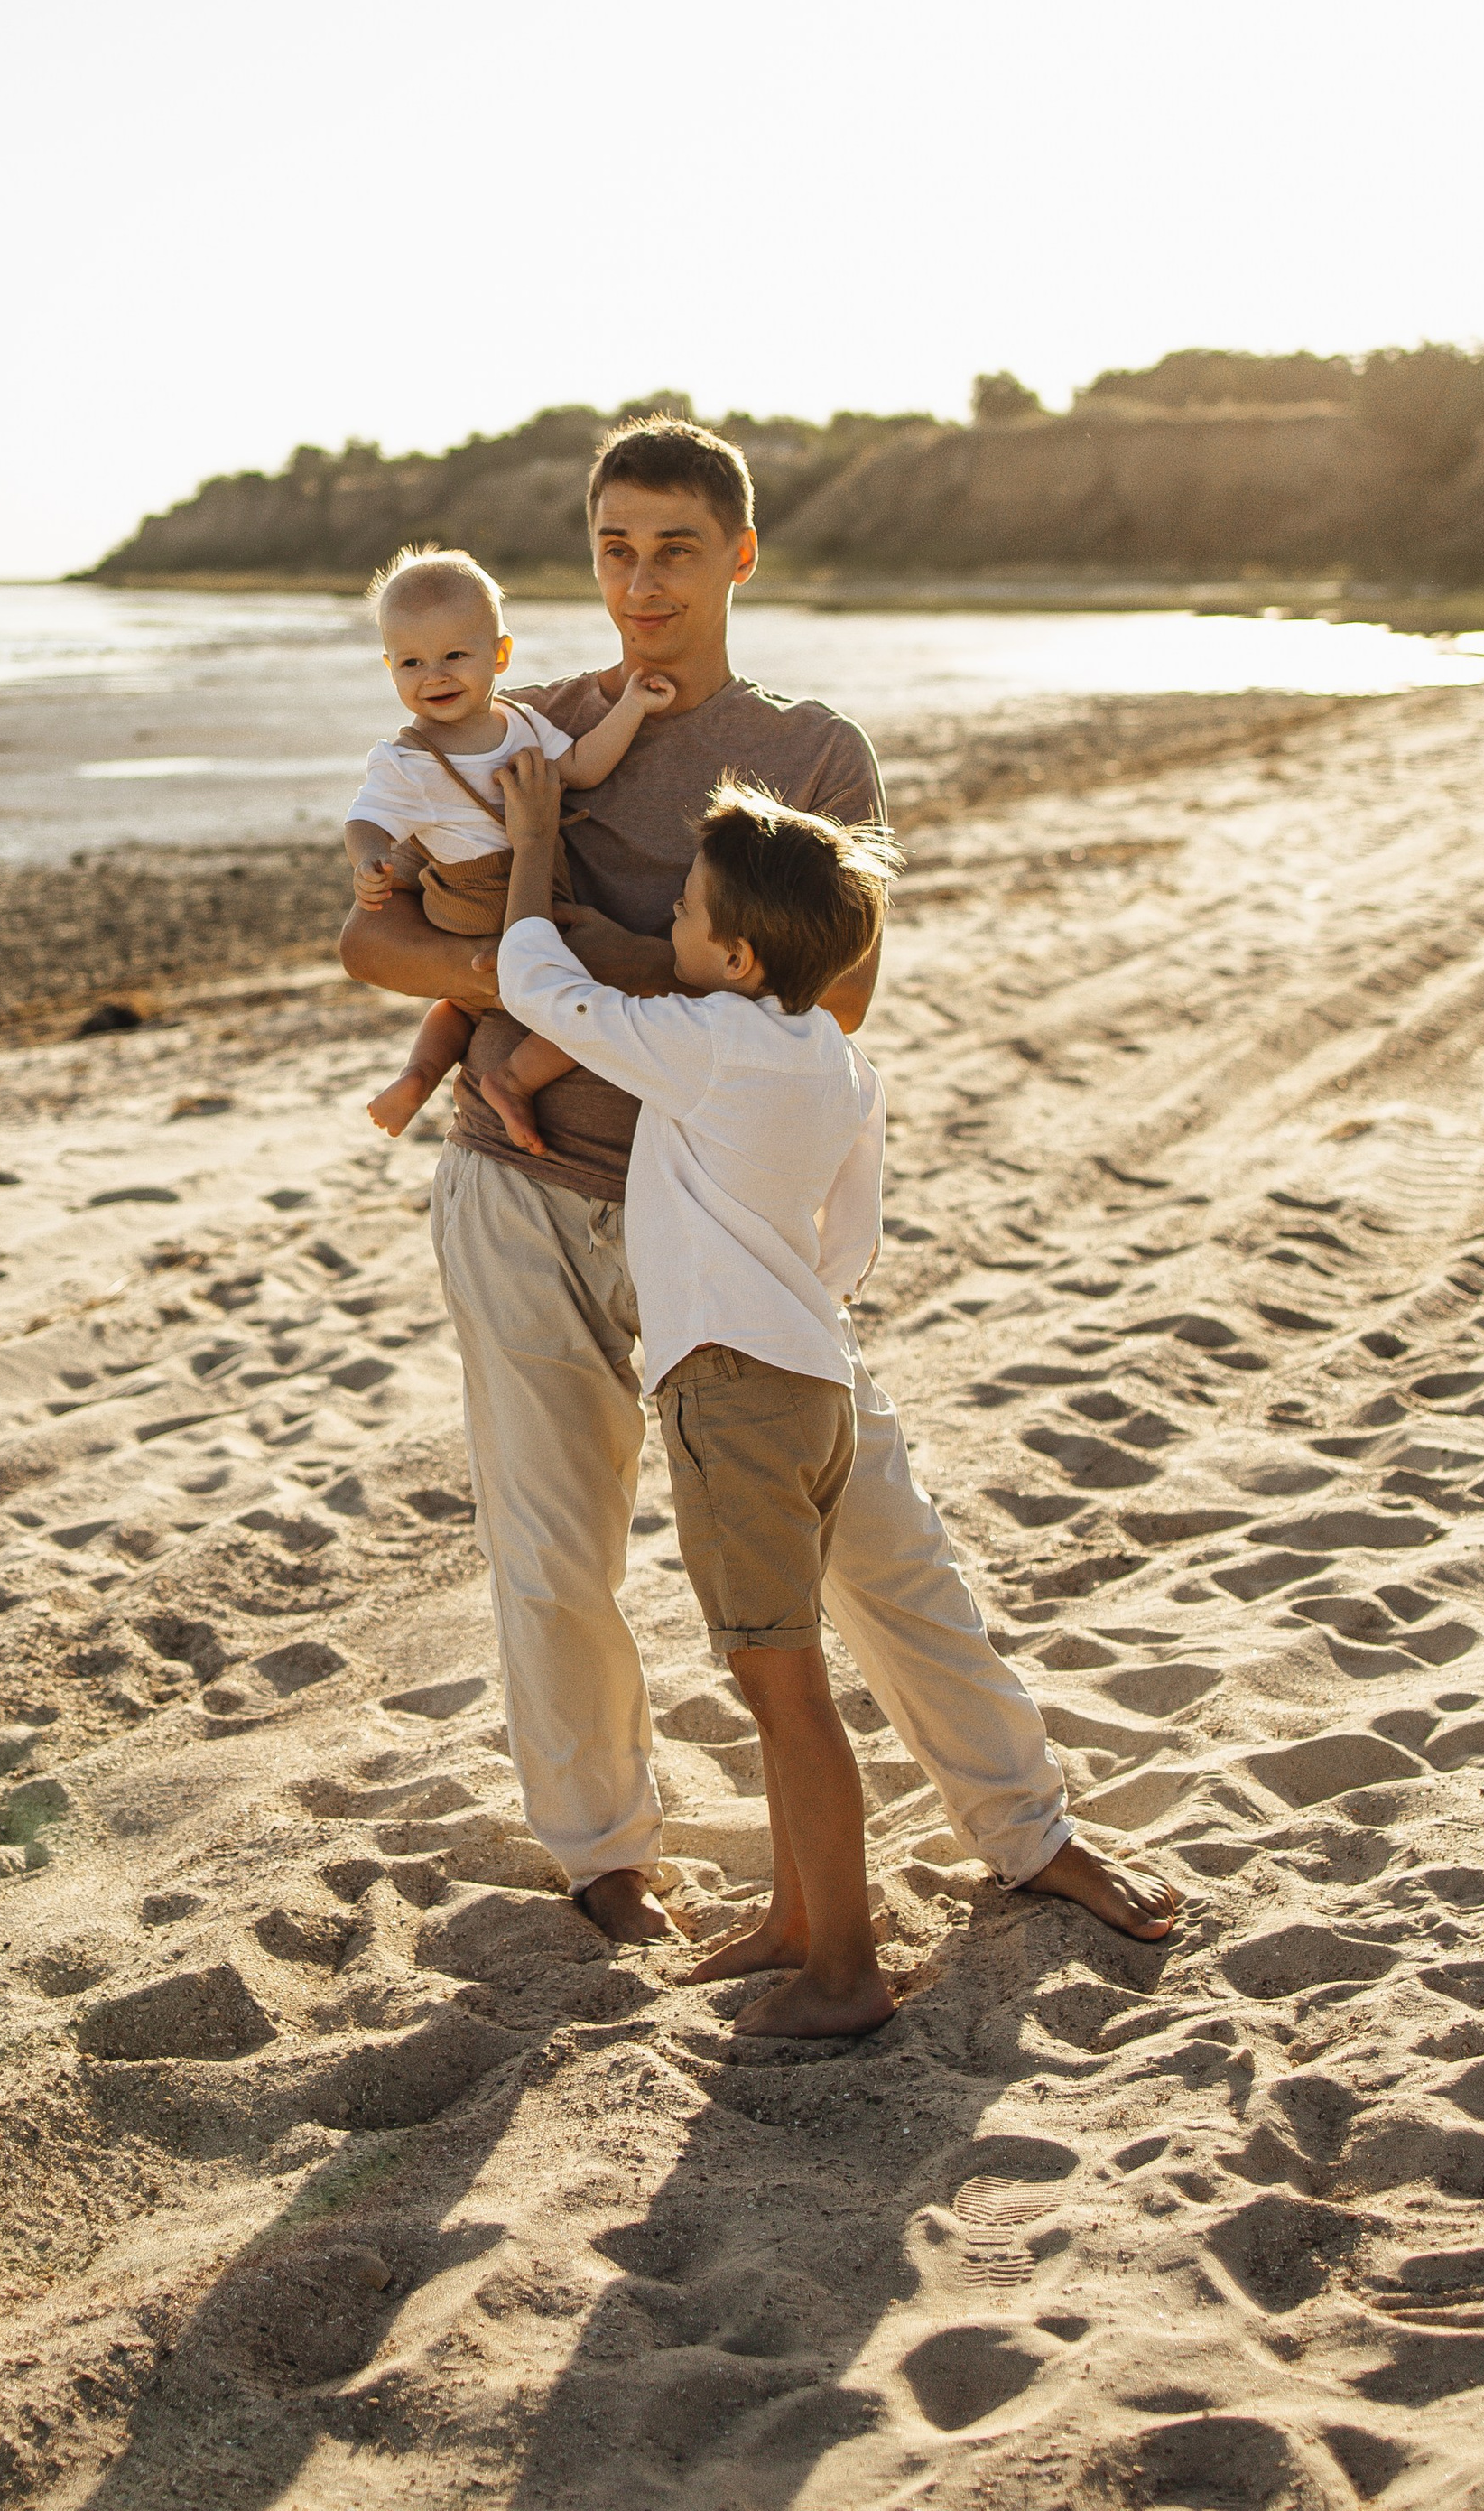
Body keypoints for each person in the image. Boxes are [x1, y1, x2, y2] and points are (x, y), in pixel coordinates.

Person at [339, 414, 1180, 1953]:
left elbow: (841, 1000)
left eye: (673, 550)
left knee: (878, 1532)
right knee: (555, 1552)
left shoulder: (813, 757)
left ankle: (1029, 1829)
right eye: (613, 548)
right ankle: (604, 1855)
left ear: (737, 555)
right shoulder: (518, 730)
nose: (641, 582)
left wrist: (620, 1002)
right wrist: (522, 982)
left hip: (723, 1220)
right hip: (515, 1197)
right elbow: (369, 943)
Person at [496, 756, 898, 2035]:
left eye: (681, 914)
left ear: (732, 958)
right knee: (782, 1672)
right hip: (813, 1381)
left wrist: (530, 844)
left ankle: (842, 1969)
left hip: (731, 1389)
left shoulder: (705, 1046)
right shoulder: (836, 1061)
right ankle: (793, 1918)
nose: (666, 925)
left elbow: (537, 986)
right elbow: (851, 1242)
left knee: (782, 1688)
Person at [342, 545, 675, 1149]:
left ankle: (418, 1077)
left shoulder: (519, 722)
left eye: (454, 656)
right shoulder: (406, 760)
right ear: (388, 667)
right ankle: (512, 1082)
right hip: (477, 895)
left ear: (500, 654)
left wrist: (631, 707)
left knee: (464, 1006)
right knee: (590, 995)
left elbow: (582, 765)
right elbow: (366, 819)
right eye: (411, 662)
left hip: (529, 891)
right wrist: (367, 861)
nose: (434, 676)